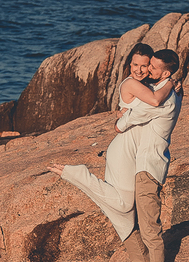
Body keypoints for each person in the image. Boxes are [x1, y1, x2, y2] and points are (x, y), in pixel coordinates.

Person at [47, 44, 178, 251]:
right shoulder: (133, 84)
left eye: (145, 66)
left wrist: (171, 83)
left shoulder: (149, 85)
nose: (140, 70)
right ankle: (79, 175)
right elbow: (153, 102)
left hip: (132, 150)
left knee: (127, 210)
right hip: (124, 148)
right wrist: (171, 83)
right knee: (125, 205)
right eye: (135, 64)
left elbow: (138, 106)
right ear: (128, 65)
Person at [118, 48, 182, 262]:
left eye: (153, 68)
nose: (148, 71)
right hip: (147, 164)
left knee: (152, 234)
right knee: (143, 225)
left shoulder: (161, 98)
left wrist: (119, 123)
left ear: (165, 72)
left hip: (148, 168)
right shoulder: (169, 88)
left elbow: (128, 119)